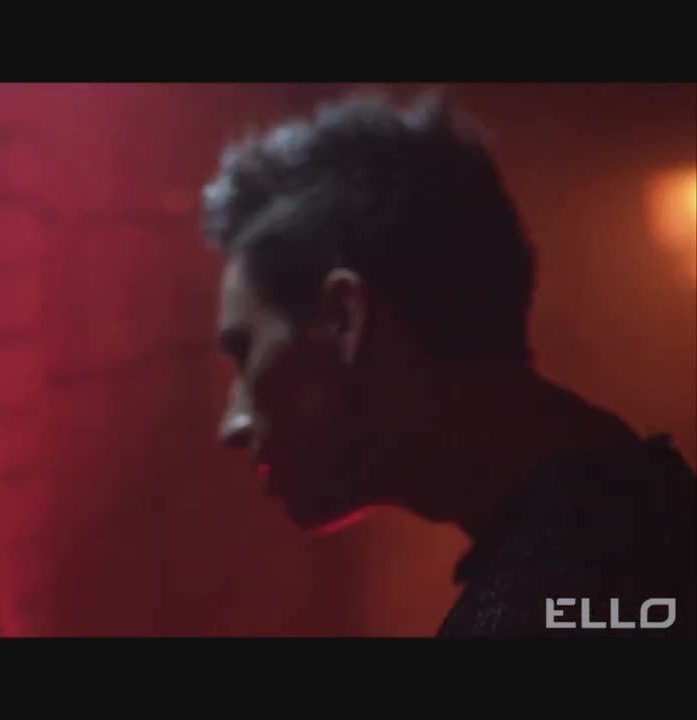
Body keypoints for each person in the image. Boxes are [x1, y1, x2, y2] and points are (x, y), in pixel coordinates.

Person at [200, 90, 695, 637]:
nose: (231, 426)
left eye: (244, 351)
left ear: (344, 317)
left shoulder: (555, 596)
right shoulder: (639, 527)